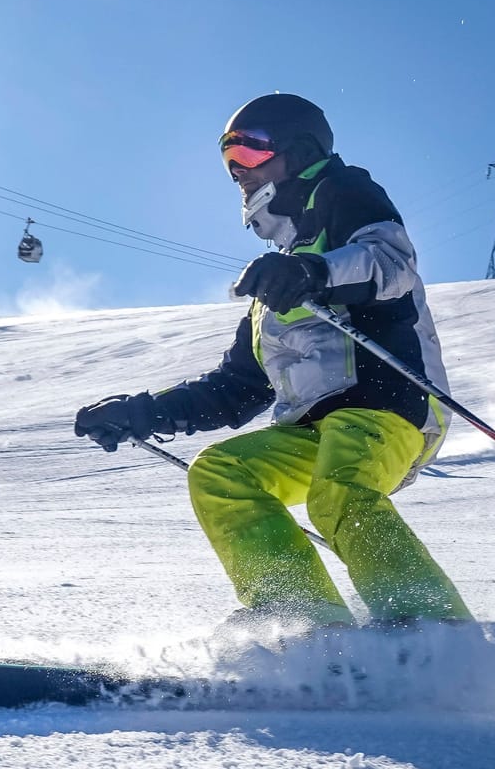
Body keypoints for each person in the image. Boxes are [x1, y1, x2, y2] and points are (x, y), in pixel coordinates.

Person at [73, 93, 472, 630]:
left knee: (339, 492)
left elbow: (391, 261)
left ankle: (432, 630)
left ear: (300, 151)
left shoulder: (344, 193)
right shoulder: (274, 286)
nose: (239, 170)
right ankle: (306, 623)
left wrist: (315, 273)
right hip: (312, 431)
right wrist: (143, 413)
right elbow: (234, 388)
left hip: (388, 404)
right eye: (228, 161)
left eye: (253, 152)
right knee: (222, 474)